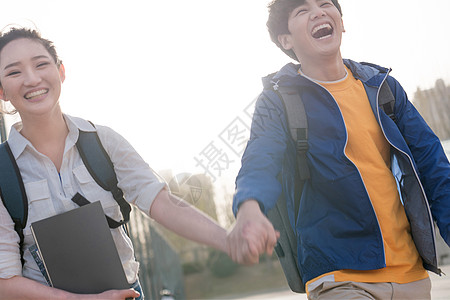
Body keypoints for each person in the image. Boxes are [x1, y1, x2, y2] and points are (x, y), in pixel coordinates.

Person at [228, 0, 450, 299]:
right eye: (302, 10)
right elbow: (260, 157)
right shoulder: (278, 101)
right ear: (285, 39)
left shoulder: (382, 87)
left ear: (341, 22)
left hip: (410, 274)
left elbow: (433, 164)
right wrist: (249, 207)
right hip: (339, 276)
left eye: (324, 4)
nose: (318, 11)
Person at [0, 27, 230, 300]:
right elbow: (6, 281)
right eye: (14, 72)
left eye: (41, 64)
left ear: (61, 71)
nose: (32, 78)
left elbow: (161, 202)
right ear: (2, 91)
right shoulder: (3, 170)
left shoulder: (104, 142)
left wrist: (228, 239)